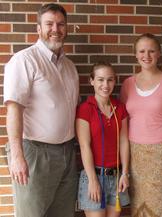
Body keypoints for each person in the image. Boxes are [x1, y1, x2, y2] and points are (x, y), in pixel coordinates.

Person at [4, 3, 79, 217]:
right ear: (38, 28)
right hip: (34, 154)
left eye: (61, 24)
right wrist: (17, 156)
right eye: (49, 24)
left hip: (67, 153)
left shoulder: (69, 67)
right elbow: (14, 110)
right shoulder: (24, 60)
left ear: (67, 28)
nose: (56, 29)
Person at [120, 33, 162, 217]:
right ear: (136, 54)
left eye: (151, 51)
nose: (146, 55)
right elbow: (123, 126)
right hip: (136, 156)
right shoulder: (127, 85)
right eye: (142, 51)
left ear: (158, 53)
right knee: (139, 207)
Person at [76, 62, 130, 217]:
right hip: (94, 175)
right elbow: (84, 146)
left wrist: (125, 173)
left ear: (114, 81)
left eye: (110, 80)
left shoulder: (120, 108)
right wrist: (93, 180)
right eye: (100, 80)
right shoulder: (86, 109)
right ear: (91, 81)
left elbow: (124, 142)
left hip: (117, 176)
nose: (105, 85)